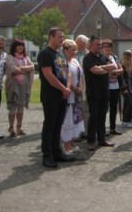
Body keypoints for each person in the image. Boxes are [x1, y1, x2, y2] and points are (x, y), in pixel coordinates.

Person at [37, 27, 74, 168]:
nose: (62, 39)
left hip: (62, 95)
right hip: (50, 96)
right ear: (51, 37)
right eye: (59, 36)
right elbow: (48, 75)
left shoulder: (60, 54)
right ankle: (47, 155)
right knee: (50, 125)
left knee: (58, 125)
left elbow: (67, 73)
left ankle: (57, 152)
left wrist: (68, 87)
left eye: (63, 36)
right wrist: (63, 88)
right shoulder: (44, 54)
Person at [83, 35, 117, 151]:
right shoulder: (88, 58)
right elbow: (95, 71)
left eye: (101, 45)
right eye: (98, 45)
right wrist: (104, 69)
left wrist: (102, 68)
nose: (100, 47)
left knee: (102, 116)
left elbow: (113, 66)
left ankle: (101, 139)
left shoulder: (103, 56)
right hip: (93, 92)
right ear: (91, 45)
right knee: (94, 117)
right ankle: (91, 141)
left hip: (104, 91)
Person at [60, 39, 85, 154]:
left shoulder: (75, 61)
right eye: (72, 50)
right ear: (65, 50)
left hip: (77, 95)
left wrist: (80, 88)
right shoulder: (62, 61)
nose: (75, 52)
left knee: (75, 120)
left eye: (75, 49)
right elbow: (64, 78)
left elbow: (81, 76)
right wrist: (74, 88)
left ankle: (72, 142)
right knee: (67, 120)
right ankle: (66, 145)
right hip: (68, 94)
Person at [5, 39, 34, 137]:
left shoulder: (26, 58)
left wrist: (21, 69)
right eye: (18, 45)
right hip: (13, 86)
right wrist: (26, 69)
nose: (21, 47)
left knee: (21, 108)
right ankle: (11, 128)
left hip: (24, 86)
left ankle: (19, 127)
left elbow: (32, 67)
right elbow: (13, 69)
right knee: (13, 107)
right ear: (14, 47)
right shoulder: (10, 57)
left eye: (22, 45)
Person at [102, 39, 124, 136]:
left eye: (108, 46)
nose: (107, 48)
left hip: (115, 86)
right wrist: (112, 72)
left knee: (114, 108)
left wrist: (115, 72)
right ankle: (103, 129)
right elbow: (104, 71)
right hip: (106, 86)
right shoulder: (101, 58)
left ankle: (112, 128)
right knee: (104, 108)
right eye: (105, 47)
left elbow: (121, 69)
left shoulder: (114, 57)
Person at [75, 34, 90, 136]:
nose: (79, 46)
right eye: (77, 43)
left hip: (86, 85)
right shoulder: (73, 54)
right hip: (74, 85)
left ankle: (86, 130)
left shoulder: (89, 55)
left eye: (81, 44)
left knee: (85, 109)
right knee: (76, 109)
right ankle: (77, 131)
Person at [120, 50, 132, 128]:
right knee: (128, 103)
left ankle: (127, 119)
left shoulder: (131, 64)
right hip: (125, 86)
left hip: (131, 86)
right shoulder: (122, 65)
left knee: (128, 103)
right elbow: (122, 78)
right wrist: (124, 88)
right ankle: (126, 120)